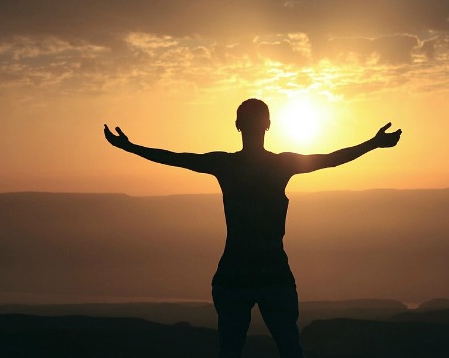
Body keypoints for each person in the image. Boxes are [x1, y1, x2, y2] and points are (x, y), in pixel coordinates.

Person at [104, 98, 401, 358]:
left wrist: (129, 147)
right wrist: (373, 144)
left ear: (237, 125)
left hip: (235, 274)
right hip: (272, 274)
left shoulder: (226, 165)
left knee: (233, 350)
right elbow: (331, 160)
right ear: (268, 125)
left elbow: (175, 159)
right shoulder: (281, 165)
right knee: (289, 348)